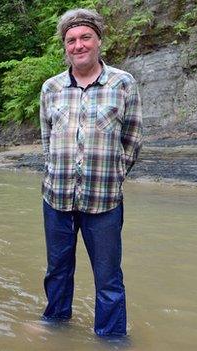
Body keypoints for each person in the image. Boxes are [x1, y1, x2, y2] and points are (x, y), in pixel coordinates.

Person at [39, 9, 143, 336]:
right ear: (64, 46)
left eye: (85, 37)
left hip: (105, 202)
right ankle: (56, 327)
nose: (78, 45)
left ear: (99, 40)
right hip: (56, 198)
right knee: (57, 271)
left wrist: (112, 176)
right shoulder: (51, 88)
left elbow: (133, 139)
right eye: (71, 40)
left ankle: (111, 337)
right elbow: (46, 140)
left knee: (109, 277)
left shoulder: (123, 83)